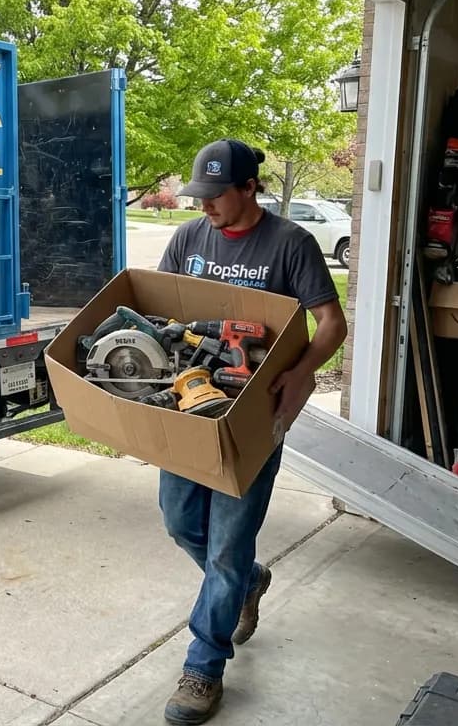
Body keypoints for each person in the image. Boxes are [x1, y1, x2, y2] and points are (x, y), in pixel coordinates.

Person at [156, 138, 347, 724]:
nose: (205, 205)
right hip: (192, 407)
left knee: (226, 546)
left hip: (255, 416)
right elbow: (162, 310)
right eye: (201, 195)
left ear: (249, 187)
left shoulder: (291, 243)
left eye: (217, 195)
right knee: (180, 522)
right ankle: (248, 582)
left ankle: (204, 667)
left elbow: (332, 322)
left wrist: (300, 372)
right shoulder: (189, 238)